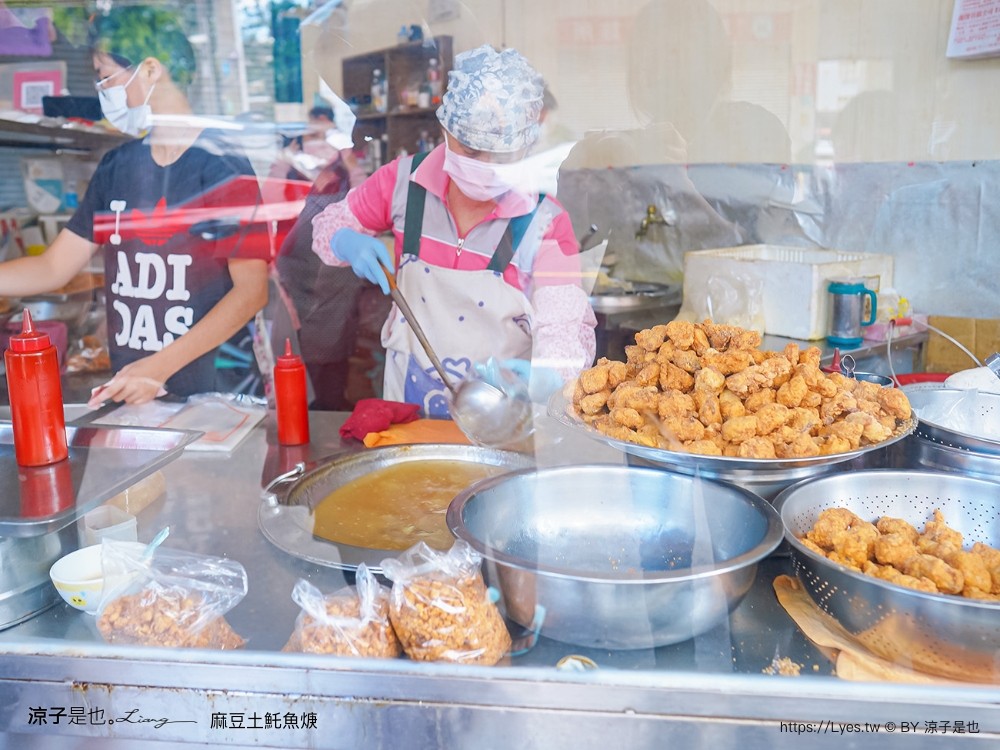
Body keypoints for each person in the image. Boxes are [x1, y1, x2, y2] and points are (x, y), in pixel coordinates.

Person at [0, 5, 270, 406]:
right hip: (134, 391)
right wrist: (145, 373)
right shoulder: (117, 166)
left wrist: (158, 367)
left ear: (150, 69)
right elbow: (55, 267)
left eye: (104, 75)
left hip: (214, 394)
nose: (101, 90)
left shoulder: (220, 163)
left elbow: (251, 292)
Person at [310, 45, 597, 415]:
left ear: (526, 146)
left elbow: (565, 334)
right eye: (473, 150)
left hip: (498, 421)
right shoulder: (402, 183)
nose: (487, 166)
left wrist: (545, 377)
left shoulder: (544, 224)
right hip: (407, 418)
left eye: (503, 155)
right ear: (445, 129)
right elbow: (328, 224)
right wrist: (345, 241)